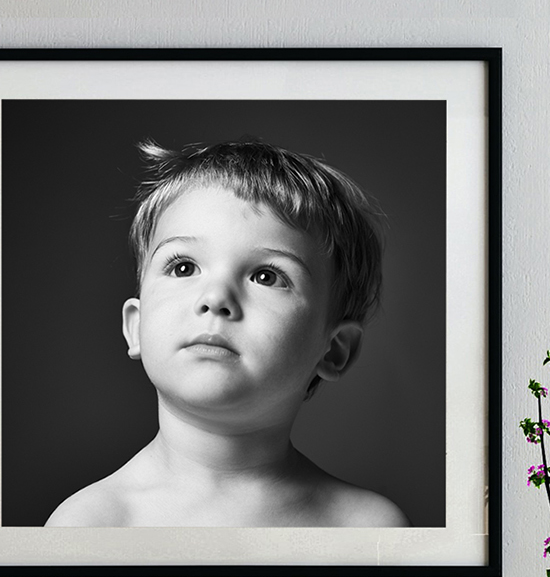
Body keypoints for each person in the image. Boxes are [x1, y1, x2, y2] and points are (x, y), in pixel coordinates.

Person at [46, 139, 409, 528]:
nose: (216, 298)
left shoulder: (367, 529)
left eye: (266, 276)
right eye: (183, 267)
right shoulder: (90, 525)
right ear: (136, 326)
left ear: (333, 349)